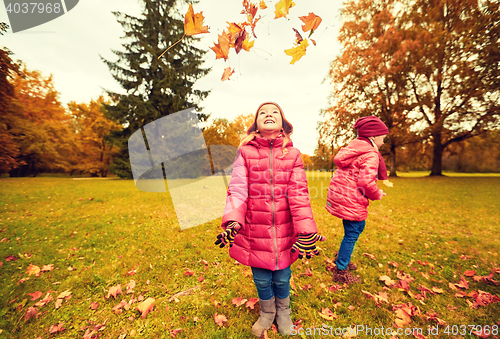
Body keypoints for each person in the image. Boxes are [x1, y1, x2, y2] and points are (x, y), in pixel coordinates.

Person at [214, 102, 325, 337]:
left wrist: (305, 230)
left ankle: (283, 311)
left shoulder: (293, 154)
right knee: (262, 279)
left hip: (285, 230)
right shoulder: (245, 152)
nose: (268, 115)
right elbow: (237, 188)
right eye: (262, 112)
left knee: (283, 277)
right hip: (255, 229)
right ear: (255, 124)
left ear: (283, 124)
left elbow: (299, 193)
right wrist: (233, 220)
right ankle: (267, 312)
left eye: (274, 112)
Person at [325, 116, 390, 284]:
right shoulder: (370, 154)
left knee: (355, 228)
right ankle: (340, 269)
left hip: (342, 196)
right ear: (374, 137)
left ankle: (342, 257)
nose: (383, 143)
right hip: (351, 199)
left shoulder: (353, 149)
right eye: (383, 138)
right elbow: (366, 182)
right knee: (353, 231)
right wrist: (377, 194)